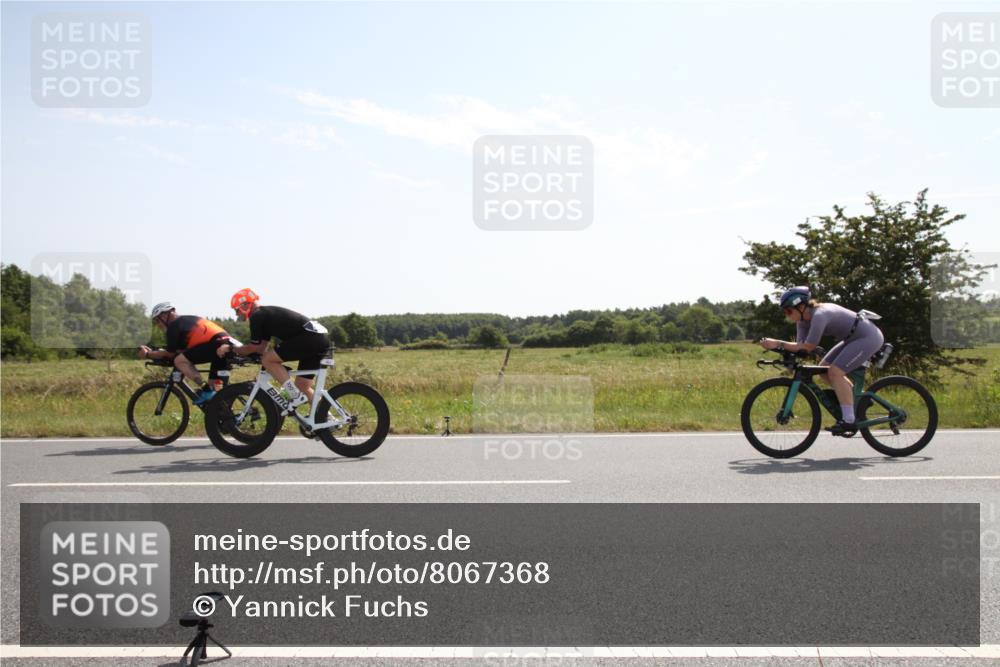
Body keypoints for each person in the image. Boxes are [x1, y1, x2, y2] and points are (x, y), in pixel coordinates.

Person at [759, 286, 885, 436]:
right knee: (824, 370)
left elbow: (808, 346)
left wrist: (778, 343)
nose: (787, 315)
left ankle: (849, 420)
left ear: (801, 306)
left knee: (835, 372)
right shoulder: (802, 321)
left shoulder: (820, 315)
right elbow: (801, 348)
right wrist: (781, 351)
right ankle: (855, 401)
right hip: (852, 339)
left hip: (868, 338)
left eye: (788, 311)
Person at [217, 289, 330, 410]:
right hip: (319, 340)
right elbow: (261, 348)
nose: (236, 314)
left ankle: (295, 395)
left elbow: (254, 347)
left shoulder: (257, 316)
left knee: (268, 359)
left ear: (245, 305)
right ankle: (325, 417)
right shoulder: (263, 315)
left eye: (236, 310)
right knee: (303, 386)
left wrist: (230, 348)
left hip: (309, 339)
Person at [138, 302, 237, 405]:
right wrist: (156, 352)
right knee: (215, 393)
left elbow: (170, 354)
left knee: (179, 361)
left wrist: (147, 354)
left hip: (216, 345)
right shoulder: (186, 321)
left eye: (157, 320)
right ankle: (221, 410)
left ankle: (205, 389)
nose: (158, 324)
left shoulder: (174, 325)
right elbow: (180, 351)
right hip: (225, 344)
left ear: (165, 315)